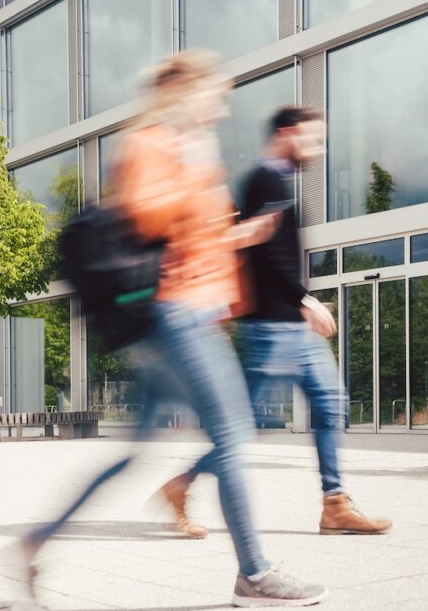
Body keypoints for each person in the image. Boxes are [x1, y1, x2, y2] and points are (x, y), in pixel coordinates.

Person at [22, 54, 328, 608]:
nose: (224, 106)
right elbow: (146, 217)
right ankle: (254, 575)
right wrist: (194, 175)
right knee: (234, 434)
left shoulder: (178, 148)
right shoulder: (156, 144)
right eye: (217, 94)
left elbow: (191, 239)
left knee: (137, 451)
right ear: (186, 92)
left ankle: (38, 539)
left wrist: (237, 238)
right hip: (176, 314)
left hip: (185, 312)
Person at [156, 105, 393, 539]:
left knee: (330, 404)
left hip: (290, 327)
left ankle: (335, 503)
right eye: (311, 139)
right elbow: (266, 254)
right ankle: (181, 483)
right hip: (270, 328)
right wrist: (304, 298)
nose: (317, 149)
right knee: (244, 427)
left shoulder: (276, 181)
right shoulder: (264, 180)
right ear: (286, 132)